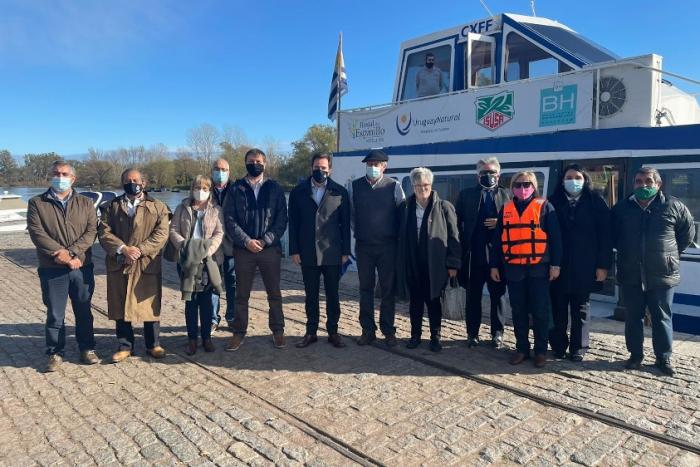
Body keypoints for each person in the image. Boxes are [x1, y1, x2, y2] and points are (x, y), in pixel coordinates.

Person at [612, 167, 695, 376]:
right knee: (633, 317)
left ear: (658, 184)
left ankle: (664, 358)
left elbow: (687, 233)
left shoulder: (673, 205)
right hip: (630, 273)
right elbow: (612, 236)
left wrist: (669, 255)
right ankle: (635, 356)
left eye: (648, 181)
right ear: (634, 185)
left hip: (662, 274)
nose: (643, 185)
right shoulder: (622, 208)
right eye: (638, 181)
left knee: (662, 317)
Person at [26, 160, 99, 372]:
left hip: (81, 266)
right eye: (56, 173)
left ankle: (87, 348)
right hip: (52, 267)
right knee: (55, 313)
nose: (60, 177)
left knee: (84, 310)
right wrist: (62, 255)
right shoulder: (37, 203)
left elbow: (91, 231)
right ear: (50, 175)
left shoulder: (85, 203)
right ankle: (55, 352)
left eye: (65, 174)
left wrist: (74, 253)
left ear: (73, 178)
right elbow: (37, 233)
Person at [490, 171, 562, 368]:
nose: (522, 188)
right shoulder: (505, 209)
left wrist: (556, 265)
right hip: (514, 269)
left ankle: (540, 351)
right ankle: (521, 348)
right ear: (512, 187)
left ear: (534, 186)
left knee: (540, 310)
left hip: (539, 268)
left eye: (527, 184)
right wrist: (494, 265)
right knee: (518, 310)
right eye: (518, 184)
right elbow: (497, 241)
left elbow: (555, 239)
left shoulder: (545, 207)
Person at [98, 168, 170, 363]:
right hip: (120, 261)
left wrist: (139, 250)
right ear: (122, 183)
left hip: (146, 263)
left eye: (136, 180)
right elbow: (104, 232)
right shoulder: (110, 206)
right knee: (119, 304)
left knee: (150, 305)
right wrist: (123, 249)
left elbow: (162, 234)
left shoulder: (158, 206)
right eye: (128, 180)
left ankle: (153, 344)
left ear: (144, 183)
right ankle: (124, 346)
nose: (132, 183)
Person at [224, 148, 288, 351]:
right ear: (245, 163)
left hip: (269, 249)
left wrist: (266, 239)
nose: (255, 164)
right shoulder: (236, 189)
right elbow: (229, 219)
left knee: (274, 293)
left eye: (259, 161)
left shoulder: (275, 188)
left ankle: (278, 330)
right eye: (251, 161)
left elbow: (281, 218)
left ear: (265, 164)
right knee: (241, 294)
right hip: (244, 250)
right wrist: (246, 241)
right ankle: (239, 332)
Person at [548, 164, 613, 362]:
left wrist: (603, 266)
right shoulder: (552, 202)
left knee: (581, 309)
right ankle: (558, 346)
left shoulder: (596, 202)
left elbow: (606, 237)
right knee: (558, 308)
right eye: (569, 177)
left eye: (578, 177)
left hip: (586, 266)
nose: (573, 181)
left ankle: (578, 348)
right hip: (558, 266)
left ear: (585, 180)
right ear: (562, 180)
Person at [288, 153, 351, 348]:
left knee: (333, 295)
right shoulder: (298, 192)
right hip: (307, 252)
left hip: (332, 252)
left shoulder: (339, 192)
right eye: (317, 167)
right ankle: (311, 332)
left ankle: (333, 331)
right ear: (311, 168)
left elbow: (345, 225)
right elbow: (294, 224)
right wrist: (294, 250)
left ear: (330, 169)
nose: (320, 171)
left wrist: (345, 251)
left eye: (324, 168)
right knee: (311, 295)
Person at [396, 167, 461, 352]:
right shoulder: (406, 207)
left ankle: (435, 337)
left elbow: (454, 238)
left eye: (425, 185)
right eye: (417, 185)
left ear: (431, 185)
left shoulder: (444, 207)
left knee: (434, 302)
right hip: (413, 263)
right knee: (415, 302)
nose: (421, 189)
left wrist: (453, 264)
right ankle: (415, 335)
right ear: (413, 186)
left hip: (436, 265)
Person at [348, 149, 405, 347]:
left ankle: (388, 330)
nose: (373, 167)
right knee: (365, 289)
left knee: (388, 290)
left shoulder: (394, 186)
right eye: (370, 164)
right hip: (364, 246)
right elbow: (352, 215)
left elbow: (402, 215)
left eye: (377, 164)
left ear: (384, 166)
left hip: (388, 246)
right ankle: (367, 330)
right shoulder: (354, 186)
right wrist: (363, 232)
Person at [455, 157, 510, 349]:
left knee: (498, 297)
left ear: (499, 175)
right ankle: (472, 334)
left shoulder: (507, 196)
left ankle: (497, 334)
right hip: (474, 256)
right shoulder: (466, 195)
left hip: (498, 257)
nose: (489, 176)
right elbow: (456, 224)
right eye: (484, 173)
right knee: (473, 297)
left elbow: (515, 223)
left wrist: (500, 223)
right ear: (477, 176)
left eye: (492, 172)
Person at [170, 175, 224, 355]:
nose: (201, 191)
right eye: (198, 187)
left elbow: (219, 233)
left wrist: (207, 250)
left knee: (207, 301)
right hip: (186, 260)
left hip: (207, 261)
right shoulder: (181, 208)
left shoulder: (215, 210)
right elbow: (174, 230)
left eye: (205, 188)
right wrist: (185, 247)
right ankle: (192, 339)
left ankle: (206, 337)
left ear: (210, 191)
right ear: (192, 188)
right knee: (191, 302)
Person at [210, 158, 236, 332]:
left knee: (232, 282)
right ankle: (213, 318)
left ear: (229, 171)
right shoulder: (204, 190)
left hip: (232, 244)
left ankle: (232, 316)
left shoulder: (237, 190)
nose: (220, 172)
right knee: (213, 282)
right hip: (211, 245)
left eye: (224, 169)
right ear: (212, 171)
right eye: (217, 169)